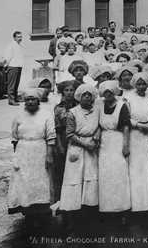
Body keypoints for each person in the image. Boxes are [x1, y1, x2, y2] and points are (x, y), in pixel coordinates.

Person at [7, 88, 55, 223]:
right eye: (28, 99)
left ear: (38, 100)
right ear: (24, 101)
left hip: (40, 150)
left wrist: (49, 155)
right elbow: (14, 137)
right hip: (23, 151)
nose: (30, 102)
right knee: (24, 180)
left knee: (40, 181)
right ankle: (27, 210)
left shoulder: (46, 115)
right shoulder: (19, 116)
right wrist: (16, 156)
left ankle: (42, 211)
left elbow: (51, 137)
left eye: (33, 99)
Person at [59, 84, 100, 215]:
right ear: (79, 97)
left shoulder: (97, 110)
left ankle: (90, 206)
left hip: (92, 146)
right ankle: (74, 209)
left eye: (89, 95)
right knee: (75, 176)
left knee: (91, 175)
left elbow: (99, 125)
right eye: (84, 95)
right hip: (77, 147)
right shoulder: (73, 112)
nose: (87, 97)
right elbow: (70, 134)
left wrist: (96, 137)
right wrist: (85, 145)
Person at [98, 80, 132, 215]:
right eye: (105, 92)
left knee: (119, 174)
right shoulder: (99, 105)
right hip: (104, 143)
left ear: (114, 93)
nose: (108, 95)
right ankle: (107, 208)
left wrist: (125, 145)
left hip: (117, 141)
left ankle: (121, 208)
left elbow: (126, 127)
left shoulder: (121, 106)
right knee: (106, 175)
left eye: (110, 92)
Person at [126, 73, 148, 212]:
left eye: (144, 84)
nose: (142, 86)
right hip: (135, 133)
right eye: (139, 84)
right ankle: (136, 204)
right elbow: (126, 117)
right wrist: (140, 125)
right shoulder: (129, 97)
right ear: (135, 84)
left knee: (147, 167)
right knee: (135, 168)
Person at [3, 31, 25, 106]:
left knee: (16, 84)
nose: (20, 38)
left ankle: (15, 98)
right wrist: (6, 66)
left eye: (21, 37)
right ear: (14, 38)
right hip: (13, 67)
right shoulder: (11, 46)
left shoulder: (19, 45)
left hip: (18, 67)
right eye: (18, 37)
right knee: (11, 85)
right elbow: (7, 57)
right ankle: (11, 100)